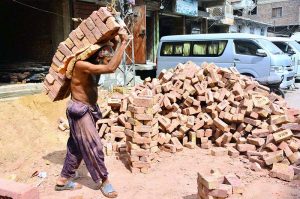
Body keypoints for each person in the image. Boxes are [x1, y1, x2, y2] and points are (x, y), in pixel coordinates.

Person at [55, 34, 128, 198]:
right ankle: (104, 180)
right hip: (79, 111)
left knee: (76, 148)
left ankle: (63, 180)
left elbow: (108, 63)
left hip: (88, 108)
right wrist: (123, 43)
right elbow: (111, 68)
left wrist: (115, 44)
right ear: (94, 52)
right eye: (104, 53)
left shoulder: (94, 62)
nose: (107, 56)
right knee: (94, 146)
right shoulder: (81, 65)